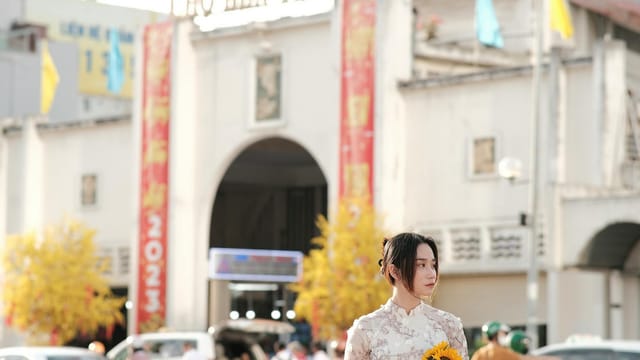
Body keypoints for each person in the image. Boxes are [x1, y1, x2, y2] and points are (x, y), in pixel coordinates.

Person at [344, 232, 469, 359]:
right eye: (421, 265)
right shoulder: (365, 329)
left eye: (433, 265)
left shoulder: (449, 325)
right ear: (394, 271)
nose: (432, 274)